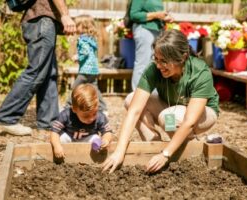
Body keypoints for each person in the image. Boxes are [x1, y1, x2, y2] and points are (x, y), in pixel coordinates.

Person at [102, 29, 219, 173]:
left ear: (182, 57)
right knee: (130, 100)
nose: (158, 65)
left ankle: (185, 151)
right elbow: (134, 110)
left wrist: (165, 154)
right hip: (172, 107)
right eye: (156, 59)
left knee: (168, 117)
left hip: (203, 114)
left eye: (164, 61)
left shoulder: (200, 71)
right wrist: (119, 151)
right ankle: (154, 143)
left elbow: (190, 121)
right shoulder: (154, 69)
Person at [0, 0, 76, 136]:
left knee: (49, 73)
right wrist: (65, 15)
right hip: (41, 20)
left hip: (42, 21)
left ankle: (48, 124)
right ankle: (6, 116)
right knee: (37, 71)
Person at [50, 83, 113, 158]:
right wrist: (57, 146)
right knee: (61, 138)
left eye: (94, 113)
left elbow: (107, 132)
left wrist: (106, 140)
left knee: (96, 139)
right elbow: (54, 132)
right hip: (69, 139)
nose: (91, 118)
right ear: (74, 109)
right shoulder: (66, 115)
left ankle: (94, 157)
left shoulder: (100, 117)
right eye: (86, 116)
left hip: (88, 139)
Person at [65, 15, 108, 114]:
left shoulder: (82, 39)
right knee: (94, 88)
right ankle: (103, 108)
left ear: (83, 26)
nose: (75, 27)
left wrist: (77, 57)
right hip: (93, 69)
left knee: (75, 87)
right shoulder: (91, 39)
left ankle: (68, 106)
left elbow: (85, 52)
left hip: (85, 70)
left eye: (77, 25)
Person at [130, 0, 173, 90]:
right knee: (142, 63)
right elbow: (133, 15)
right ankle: (136, 95)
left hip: (157, 31)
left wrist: (165, 18)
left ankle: (150, 95)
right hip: (145, 30)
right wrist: (156, 15)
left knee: (153, 64)